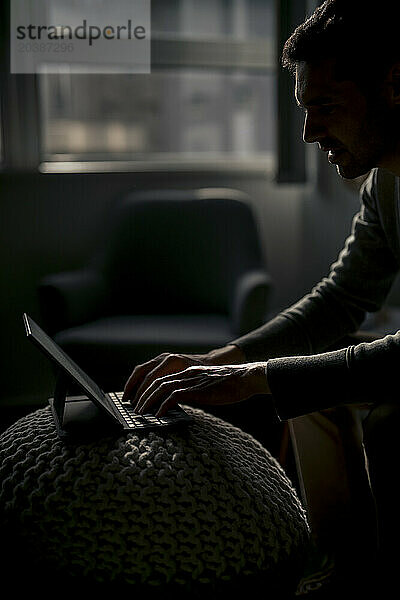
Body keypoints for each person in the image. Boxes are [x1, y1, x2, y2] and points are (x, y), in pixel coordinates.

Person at [123, 0, 400, 589]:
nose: (307, 132)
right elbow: (342, 300)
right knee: (311, 396)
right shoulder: (386, 183)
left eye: (323, 106)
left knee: (388, 423)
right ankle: (340, 567)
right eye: (304, 110)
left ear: (397, 84)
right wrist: (213, 365)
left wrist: (261, 377)